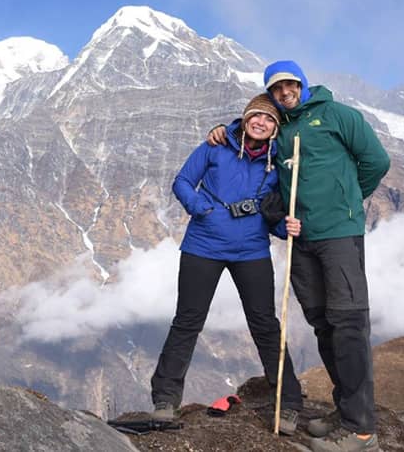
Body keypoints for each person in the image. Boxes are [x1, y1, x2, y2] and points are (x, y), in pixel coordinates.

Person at [207, 61, 390, 452]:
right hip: (300, 239)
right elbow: (250, 131)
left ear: (302, 84)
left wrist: (347, 201)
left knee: (349, 323)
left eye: (290, 85)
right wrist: (224, 129)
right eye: (276, 88)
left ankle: (362, 430)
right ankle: (345, 411)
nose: (285, 92)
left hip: (339, 234)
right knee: (323, 322)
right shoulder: (280, 126)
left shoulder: (339, 116)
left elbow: (377, 162)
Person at [150, 93, 304, 435]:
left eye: (269, 120)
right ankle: (164, 400)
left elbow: (273, 209)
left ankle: (289, 404)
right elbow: (183, 181)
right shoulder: (215, 145)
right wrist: (200, 209)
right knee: (188, 320)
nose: (261, 123)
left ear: (275, 127)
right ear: (246, 118)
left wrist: (285, 227)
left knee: (265, 323)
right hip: (203, 244)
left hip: (251, 248)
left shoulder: (279, 161)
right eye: (256, 117)